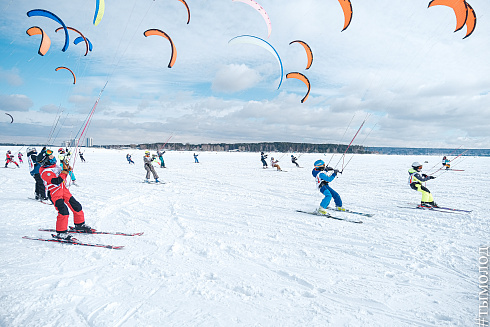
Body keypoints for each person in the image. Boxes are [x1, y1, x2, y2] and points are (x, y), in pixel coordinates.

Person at [37, 148, 91, 240]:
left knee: (77, 206)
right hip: (55, 193)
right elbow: (57, 181)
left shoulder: (55, 166)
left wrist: (66, 169)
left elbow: (62, 174)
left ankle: (79, 225)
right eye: (51, 156)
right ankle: (61, 233)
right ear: (46, 160)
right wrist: (64, 172)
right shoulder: (45, 172)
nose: (53, 157)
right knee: (63, 211)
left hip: (64, 190)